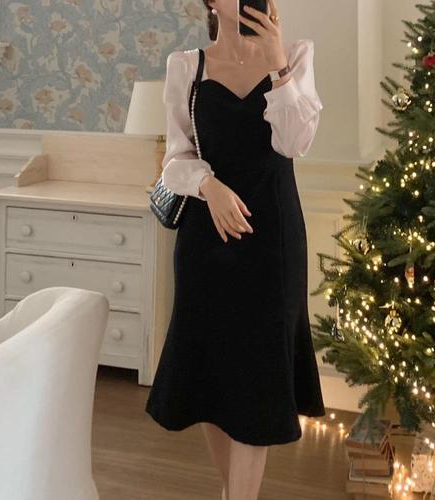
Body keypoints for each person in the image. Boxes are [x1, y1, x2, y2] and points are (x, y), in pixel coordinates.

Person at [145, 0, 326, 498]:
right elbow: (175, 158)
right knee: (211, 375)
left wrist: (278, 67)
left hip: (273, 244)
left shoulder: (295, 56)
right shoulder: (186, 66)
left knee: (259, 378)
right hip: (207, 242)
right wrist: (209, 186)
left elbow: (296, 142)